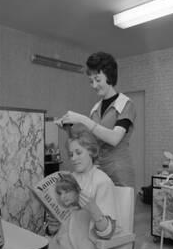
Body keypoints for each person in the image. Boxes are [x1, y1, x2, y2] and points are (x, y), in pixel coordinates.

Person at [57, 52, 136, 187]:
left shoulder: (125, 104)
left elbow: (114, 138)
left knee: (119, 207)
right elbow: (90, 141)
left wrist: (83, 120)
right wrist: (68, 128)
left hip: (119, 171)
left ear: (110, 77)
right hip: (98, 169)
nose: (94, 85)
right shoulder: (95, 108)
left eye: (98, 80)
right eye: (91, 81)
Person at [42, 129, 117, 249]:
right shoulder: (69, 178)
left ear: (92, 151)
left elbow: (108, 233)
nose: (73, 158)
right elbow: (60, 223)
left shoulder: (102, 182)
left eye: (78, 152)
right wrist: (52, 227)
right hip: (57, 245)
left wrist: (93, 209)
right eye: (71, 154)